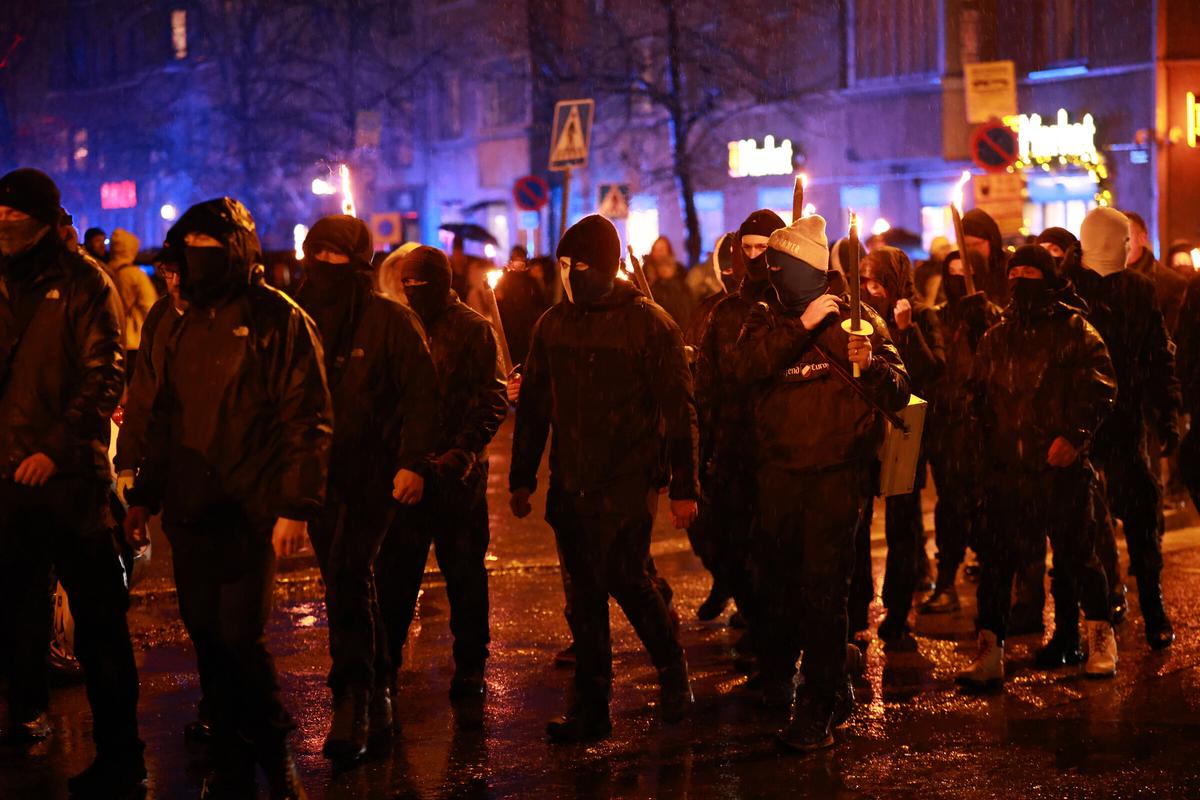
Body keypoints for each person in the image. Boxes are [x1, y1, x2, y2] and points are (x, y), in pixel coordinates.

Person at [123, 197, 332, 799]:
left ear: (236, 252)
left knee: (240, 636)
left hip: (251, 510)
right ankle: (230, 760)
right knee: (207, 636)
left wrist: (294, 506)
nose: (198, 260)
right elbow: (163, 416)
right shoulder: (180, 321)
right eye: (190, 250)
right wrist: (144, 495)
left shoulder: (277, 318)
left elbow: (307, 416)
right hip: (192, 509)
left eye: (210, 249)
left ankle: (275, 753)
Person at [510, 215, 699, 743]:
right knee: (585, 597)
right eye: (563, 265)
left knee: (627, 578)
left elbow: (679, 410)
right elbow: (535, 407)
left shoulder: (649, 323)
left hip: (628, 477)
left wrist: (685, 487)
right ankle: (590, 707)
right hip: (571, 480)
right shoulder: (553, 324)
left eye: (578, 265)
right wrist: (522, 477)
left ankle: (672, 669)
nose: (568, 275)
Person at [732, 215, 910, 752]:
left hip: (835, 474)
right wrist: (800, 326)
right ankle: (809, 678)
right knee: (780, 590)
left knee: (823, 593)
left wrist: (871, 363)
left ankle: (820, 705)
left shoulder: (859, 318)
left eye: (781, 265)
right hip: (778, 476)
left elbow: (900, 391)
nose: (771, 274)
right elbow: (744, 369)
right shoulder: (766, 317)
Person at [0, 168, 144, 796]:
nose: (5, 228)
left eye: (16, 218)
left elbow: (104, 374)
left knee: (99, 619)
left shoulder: (85, 282)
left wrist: (54, 450)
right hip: (8, 476)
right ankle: (24, 713)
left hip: (70, 481)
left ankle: (121, 753)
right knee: (16, 606)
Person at [293, 216, 440, 768]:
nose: (326, 266)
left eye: (337, 256)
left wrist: (413, 463)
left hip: (373, 474)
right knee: (346, 581)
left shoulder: (390, 322)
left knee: (349, 571)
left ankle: (351, 698)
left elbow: (421, 396)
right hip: (318, 477)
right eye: (318, 254)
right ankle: (378, 687)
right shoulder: (296, 317)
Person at [957, 245, 1117, 691]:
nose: (1021, 279)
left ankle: (1100, 638)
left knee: (1078, 556)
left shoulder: (1075, 330)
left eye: (1031, 271)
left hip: (1059, 467)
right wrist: (981, 450)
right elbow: (978, 396)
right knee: (997, 563)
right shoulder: (997, 337)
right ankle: (990, 651)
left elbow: (1102, 387)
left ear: (1049, 278)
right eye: (1015, 272)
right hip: (1008, 471)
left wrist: (1075, 436)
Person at [376, 245, 506, 704]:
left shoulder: (473, 329)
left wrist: (464, 449)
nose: (412, 291)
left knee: (465, 576)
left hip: (458, 478)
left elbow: (492, 397)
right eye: (406, 283)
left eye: (420, 283)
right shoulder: (399, 325)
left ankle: (470, 665)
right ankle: (385, 668)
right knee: (395, 577)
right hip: (408, 474)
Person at [1071, 208, 1180, 653]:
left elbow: (1157, 354)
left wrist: (1166, 411)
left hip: (1124, 418)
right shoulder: (1070, 290)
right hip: (1083, 420)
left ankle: (1151, 604)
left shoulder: (1137, 290)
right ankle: (1106, 599)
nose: (1126, 247)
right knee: (1087, 518)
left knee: (1139, 514)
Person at [857, 246, 945, 650]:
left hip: (906, 426)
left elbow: (931, 371)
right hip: (866, 427)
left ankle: (897, 606)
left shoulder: (922, 315)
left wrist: (908, 331)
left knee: (901, 524)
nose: (870, 289)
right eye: (865, 281)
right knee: (857, 522)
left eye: (878, 281)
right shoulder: (861, 317)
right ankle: (857, 603)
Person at [920, 250, 1000, 614]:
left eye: (964, 272)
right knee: (950, 507)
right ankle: (946, 581)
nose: (957, 279)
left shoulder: (993, 315)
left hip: (983, 428)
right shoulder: (937, 317)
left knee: (986, 507)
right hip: (947, 428)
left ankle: (993, 587)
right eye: (950, 272)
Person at [107, 228, 159, 377]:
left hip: (118, 340)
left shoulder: (108, 272)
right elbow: (149, 307)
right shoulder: (135, 275)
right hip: (135, 339)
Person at [1124, 211, 1187, 335]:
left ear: (1142, 238)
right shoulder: (1105, 278)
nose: (1119, 243)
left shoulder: (1170, 283)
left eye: (1126, 238)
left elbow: (1169, 336)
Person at [495, 244, 550, 367]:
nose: (518, 264)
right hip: (509, 329)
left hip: (527, 329)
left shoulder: (530, 279)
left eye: (521, 260)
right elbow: (498, 303)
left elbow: (541, 301)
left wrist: (539, 281)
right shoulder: (504, 279)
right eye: (515, 260)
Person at [961, 208, 1010, 306]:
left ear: (991, 241)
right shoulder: (961, 271)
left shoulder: (1009, 267)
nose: (972, 250)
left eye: (976, 244)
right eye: (967, 246)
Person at [645, 235, 695, 331]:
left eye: (662, 249)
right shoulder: (646, 273)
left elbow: (686, 305)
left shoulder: (680, 276)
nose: (659, 253)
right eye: (656, 249)